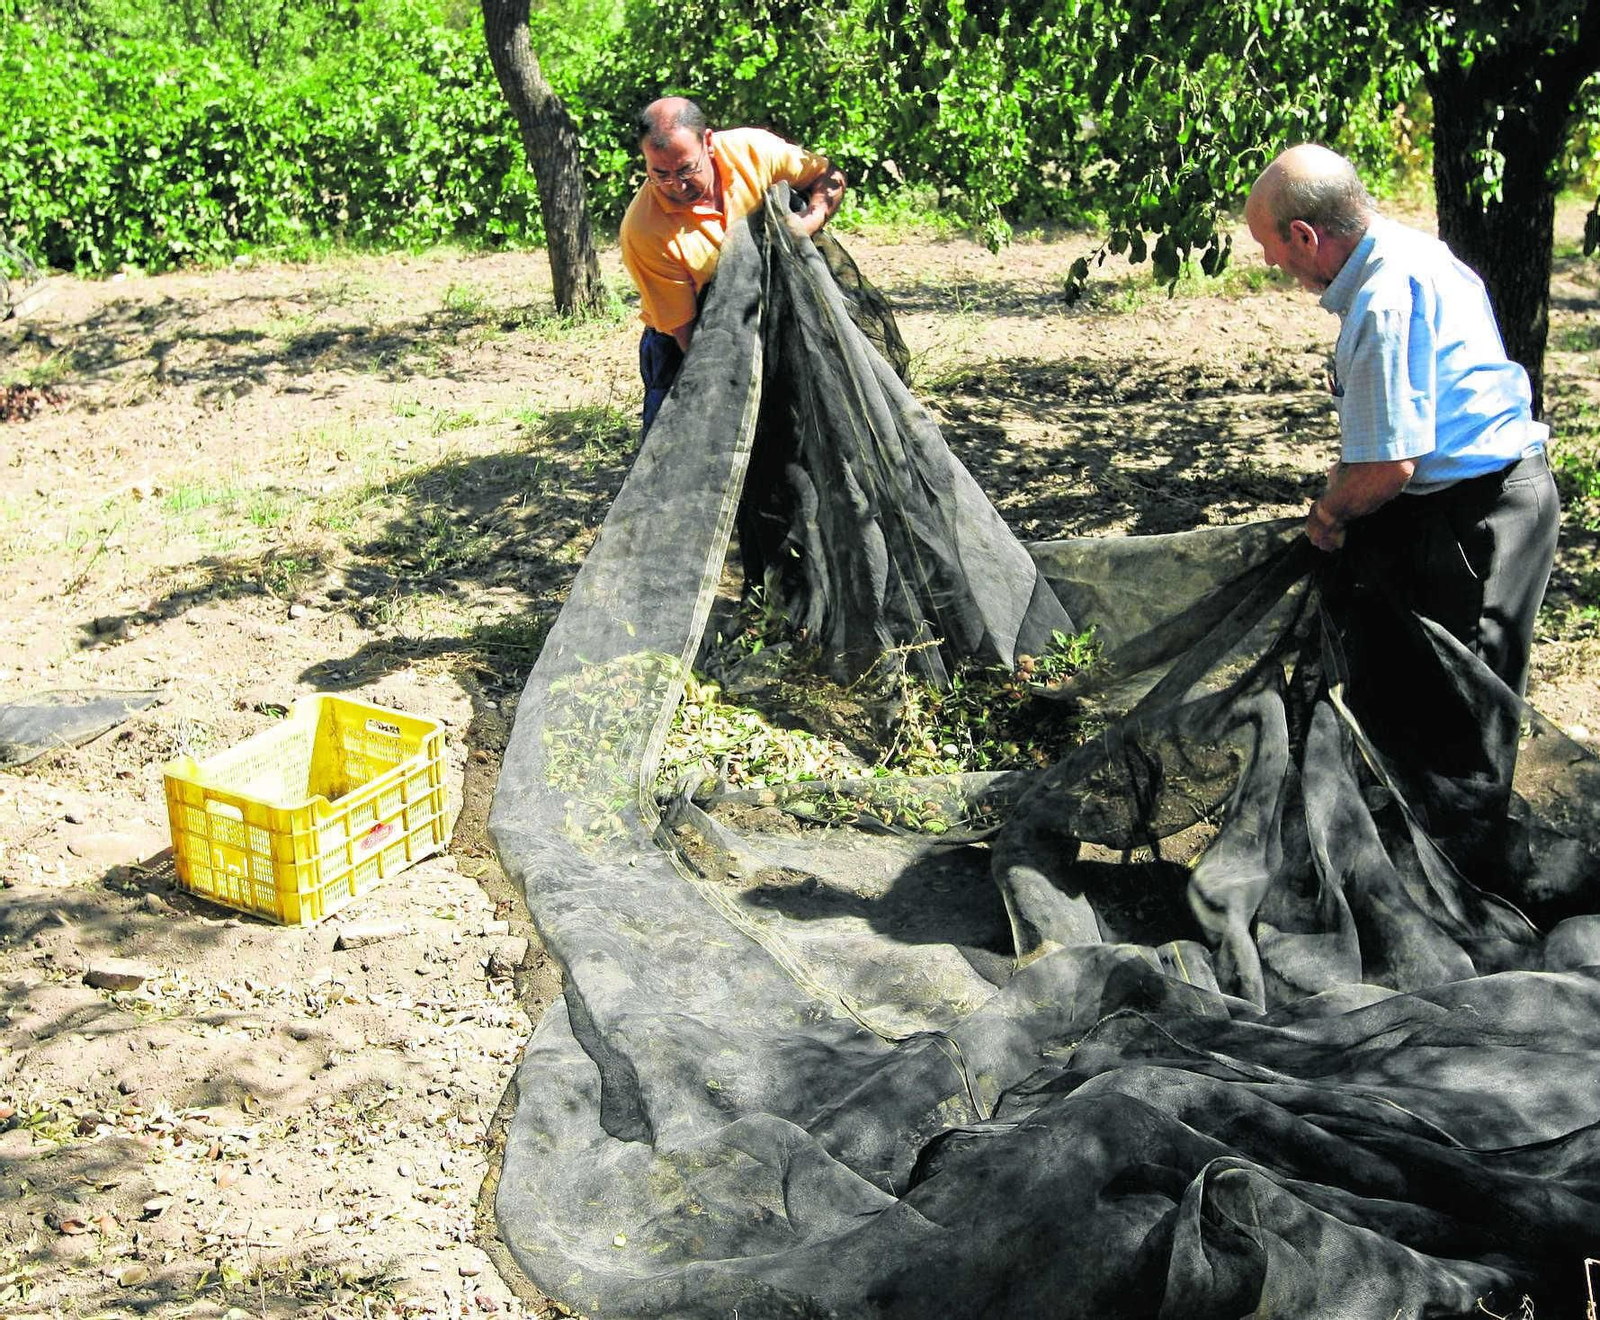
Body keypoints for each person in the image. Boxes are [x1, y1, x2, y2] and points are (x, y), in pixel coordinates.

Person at [1244, 143, 1559, 703]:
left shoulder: (1380, 299)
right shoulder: (1415, 251)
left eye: (1268, 246)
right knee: (1431, 701)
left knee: (1464, 716)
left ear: (1303, 236)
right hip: (1489, 500)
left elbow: (1387, 466)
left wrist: (1329, 515)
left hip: (1481, 516)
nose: (1271, 262)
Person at [620, 97, 846, 432]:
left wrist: (807, 224)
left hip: (779, 322)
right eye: (660, 174)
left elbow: (828, 176)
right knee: (692, 458)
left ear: (708, 142)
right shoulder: (644, 231)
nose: (676, 186)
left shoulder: (753, 150)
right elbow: (691, 340)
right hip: (690, 348)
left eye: (686, 169)